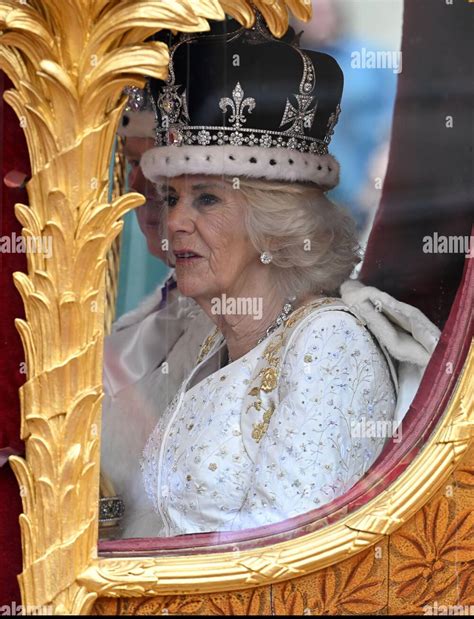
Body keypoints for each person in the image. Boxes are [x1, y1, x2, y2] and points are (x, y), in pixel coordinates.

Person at [129, 18, 438, 538]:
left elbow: (281, 562)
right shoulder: (209, 340)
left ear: (274, 226)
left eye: (206, 198)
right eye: (172, 197)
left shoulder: (328, 342)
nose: (176, 220)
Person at [100, 85, 214, 536]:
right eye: (131, 168)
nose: (137, 193)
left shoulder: (250, 324)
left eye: (164, 185)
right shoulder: (162, 311)